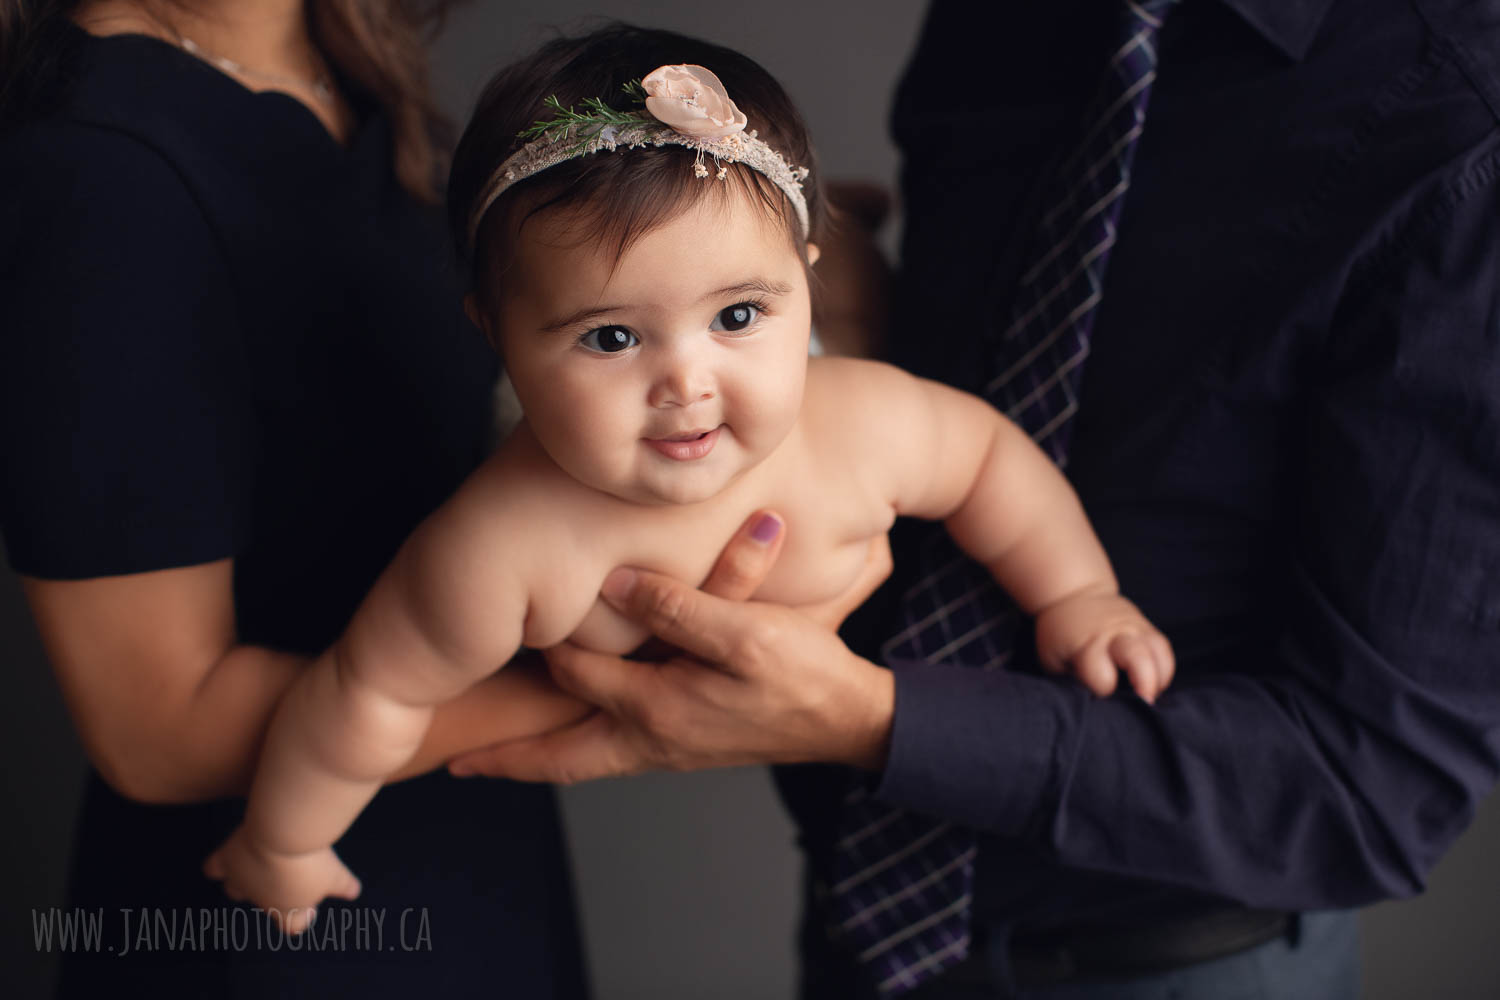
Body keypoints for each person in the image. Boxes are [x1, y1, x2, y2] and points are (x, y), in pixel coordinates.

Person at [449, 1, 1500, 998]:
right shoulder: (1005, 22)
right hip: (861, 921)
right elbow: (995, 388)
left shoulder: (1458, 124)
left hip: (1177, 959)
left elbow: (1378, 789)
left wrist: (874, 716)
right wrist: (804, 324)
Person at [202, 25, 1175, 927]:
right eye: (612, 336)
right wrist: (286, 838)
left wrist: (1080, 594)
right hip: (601, 660)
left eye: (740, 315)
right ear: (493, 334)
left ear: (800, 275)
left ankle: (810, 271)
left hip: (901, 814)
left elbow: (990, 461)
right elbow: (365, 695)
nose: (685, 382)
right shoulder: (500, 547)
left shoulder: (862, 422)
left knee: (885, 378)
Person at [3, 0, 601, 994]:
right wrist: (614, 691)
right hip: (279, 919)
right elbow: (153, 726)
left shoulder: (345, 74)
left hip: (467, 856)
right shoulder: (97, 166)